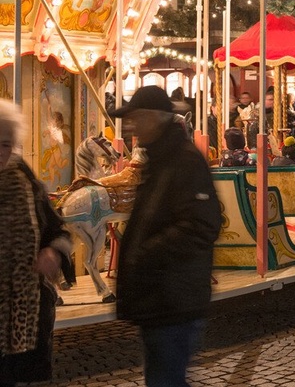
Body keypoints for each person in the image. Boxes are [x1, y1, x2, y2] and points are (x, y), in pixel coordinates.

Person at [111, 86, 221, 387]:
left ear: (154, 119)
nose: (131, 126)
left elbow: (202, 224)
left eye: (135, 119)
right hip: (159, 297)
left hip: (174, 298)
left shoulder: (183, 160)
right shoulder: (158, 159)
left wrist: (147, 254)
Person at [0, 100, 74, 387]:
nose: (1, 153)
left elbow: (59, 230)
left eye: (6, 144)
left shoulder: (26, 182)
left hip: (26, 321)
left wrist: (53, 251)